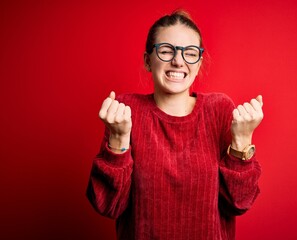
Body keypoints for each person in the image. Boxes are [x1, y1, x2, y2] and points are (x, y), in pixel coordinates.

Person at [86, 9, 264, 240]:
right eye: (166, 51)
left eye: (189, 53)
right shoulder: (125, 110)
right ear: (148, 60)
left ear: (199, 63)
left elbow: (239, 203)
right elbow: (109, 206)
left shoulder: (219, 109)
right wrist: (118, 140)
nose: (178, 61)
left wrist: (242, 141)